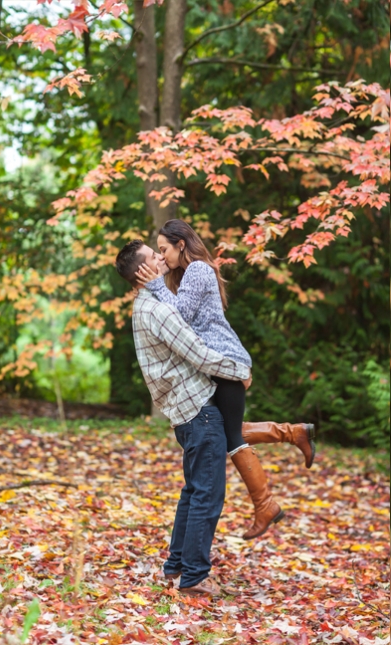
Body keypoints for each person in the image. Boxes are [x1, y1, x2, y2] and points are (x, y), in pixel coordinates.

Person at [115, 239, 281, 596]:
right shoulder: (157, 311)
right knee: (207, 494)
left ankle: (176, 566)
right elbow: (199, 353)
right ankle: (194, 577)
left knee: (193, 491)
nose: (161, 257)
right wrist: (239, 370)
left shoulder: (145, 305)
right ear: (143, 271)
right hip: (198, 412)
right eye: (153, 255)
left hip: (185, 412)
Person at [135, 220, 317, 525]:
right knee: (222, 430)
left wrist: (154, 285)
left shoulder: (198, 270)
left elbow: (180, 317)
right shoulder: (187, 275)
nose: (161, 256)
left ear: (181, 244)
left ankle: (266, 506)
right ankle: (294, 433)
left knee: (231, 437)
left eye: (164, 249)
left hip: (223, 361)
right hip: (217, 363)